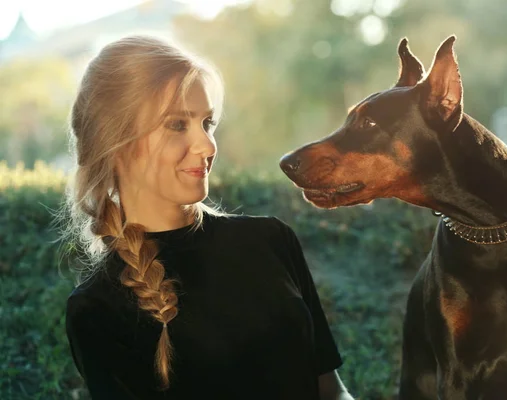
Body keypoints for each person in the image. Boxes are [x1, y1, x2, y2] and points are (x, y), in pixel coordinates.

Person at [60, 34, 354, 400]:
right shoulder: (96, 308)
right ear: (114, 140)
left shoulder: (271, 240)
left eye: (207, 123)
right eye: (177, 125)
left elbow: (331, 392)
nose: (207, 146)